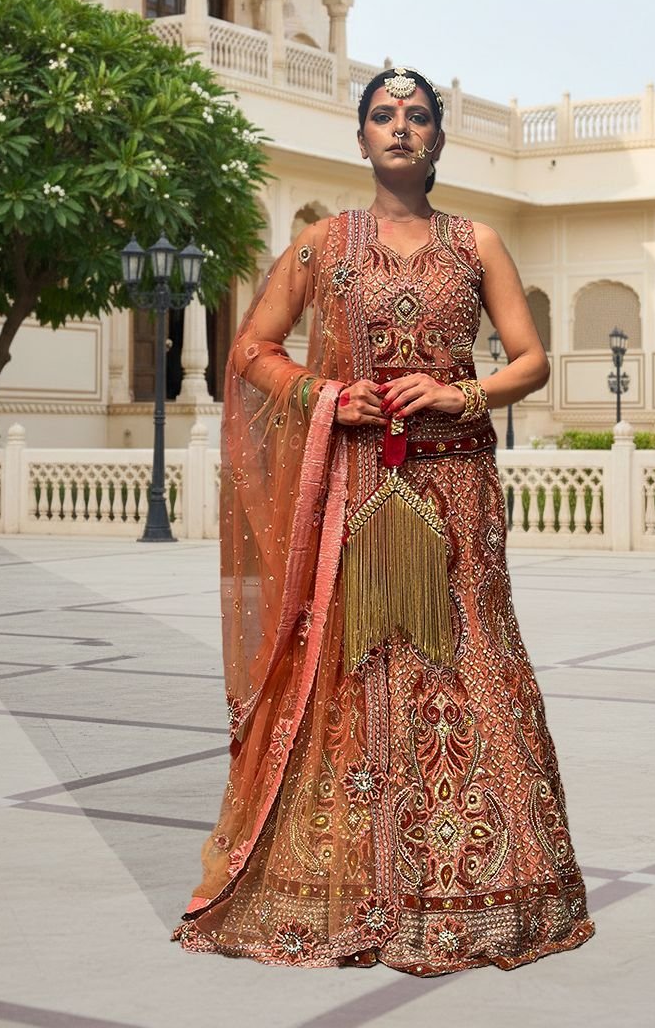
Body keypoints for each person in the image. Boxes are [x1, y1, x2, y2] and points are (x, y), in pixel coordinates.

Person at [170, 66, 596, 974]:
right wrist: (323, 393)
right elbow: (251, 349)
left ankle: (496, 888)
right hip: (357, 491)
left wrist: (458, 390)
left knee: (471, 662)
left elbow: (531, 361)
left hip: (458, 494)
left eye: (416, 117)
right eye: (382, 116)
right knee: (357, 674)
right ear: (360, 139)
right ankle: (353, 890)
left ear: (439, 140)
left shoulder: (477, 242)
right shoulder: (324, 245)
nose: (400, 127)